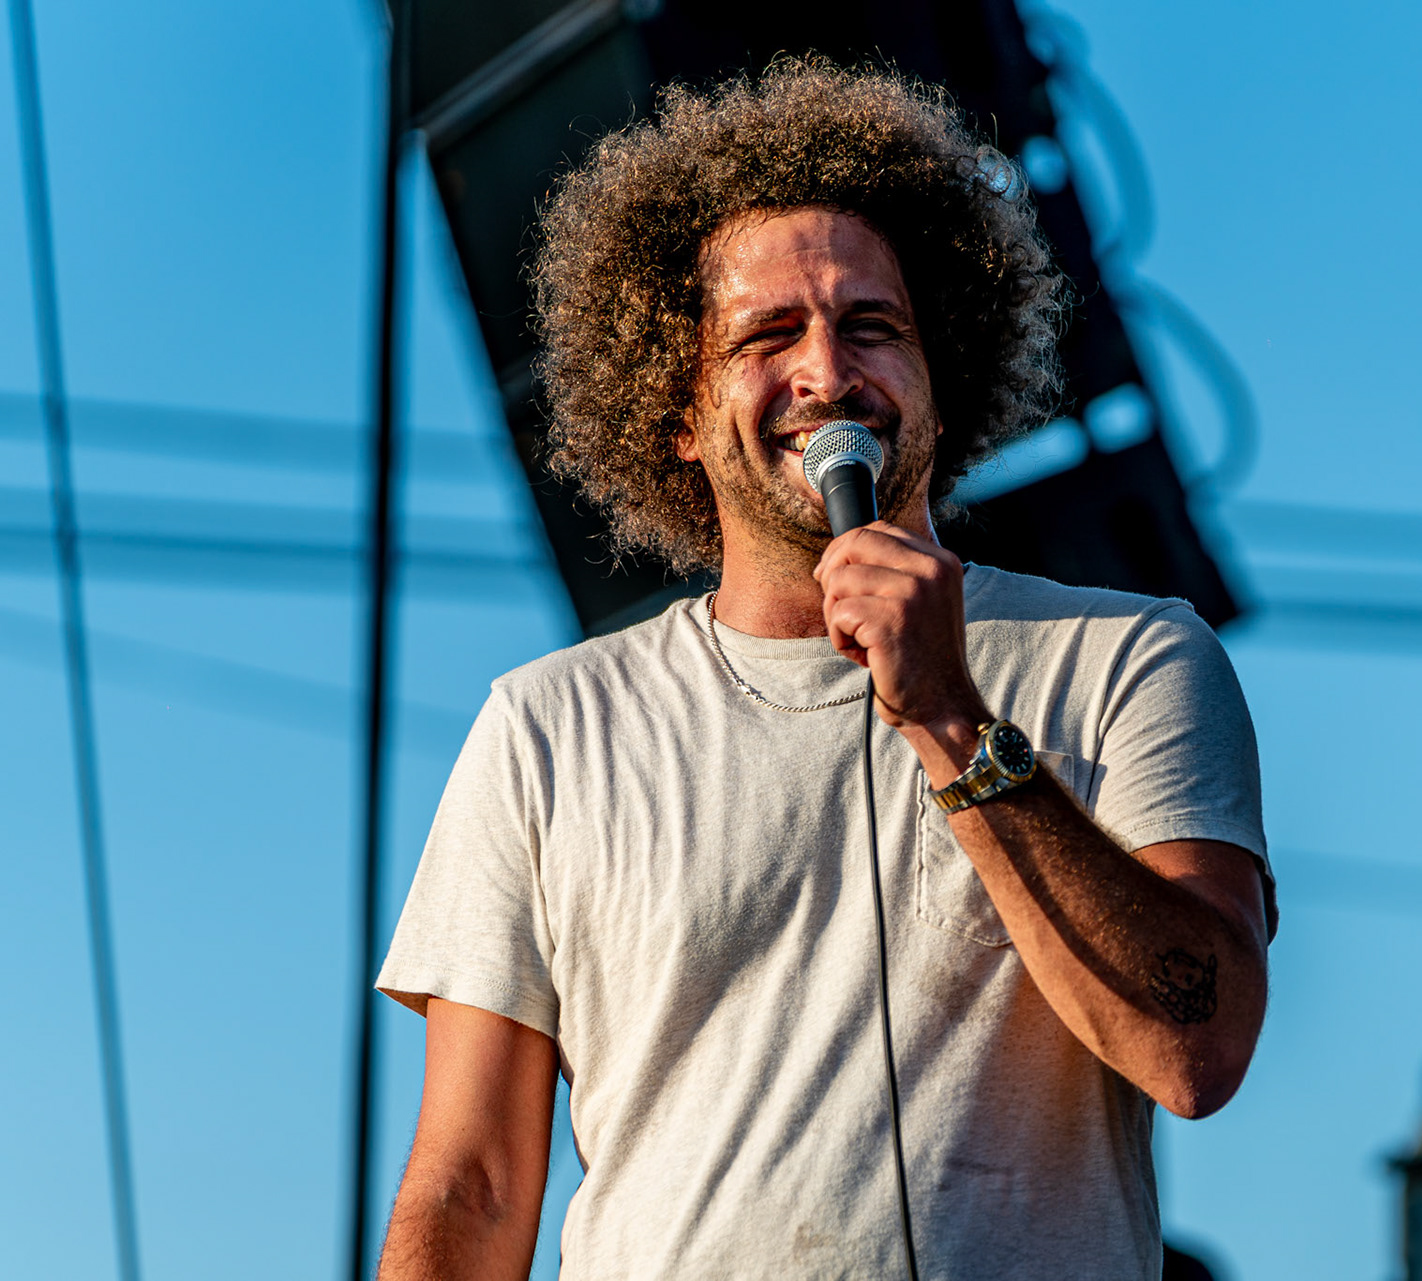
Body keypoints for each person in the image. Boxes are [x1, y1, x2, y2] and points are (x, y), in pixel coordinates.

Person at [374, 58, 1273, 1281]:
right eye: (767, 335)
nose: (828, 374)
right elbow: (471, 1186)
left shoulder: (1128, 660)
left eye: (873, 327)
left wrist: (952, 720)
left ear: (943, 380)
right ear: (678, 413)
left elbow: (1197, 1049)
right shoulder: (548, 728)